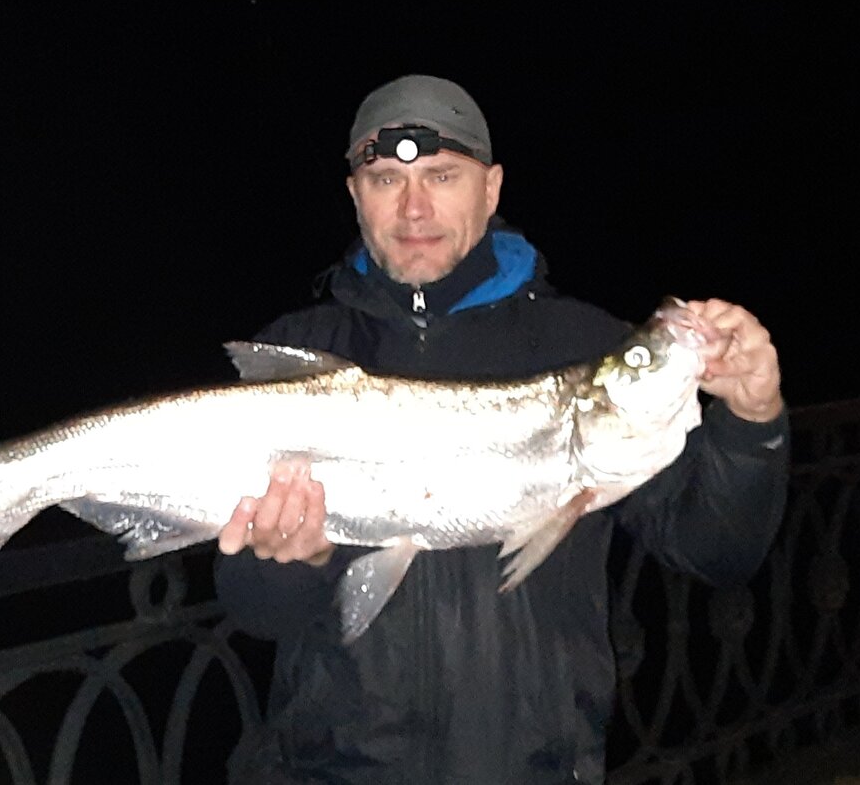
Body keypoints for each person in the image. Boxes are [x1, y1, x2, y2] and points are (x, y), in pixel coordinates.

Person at [214, 74, 789, 784]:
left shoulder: (582, 344)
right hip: (333, 770)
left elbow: (719, 550)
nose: (414, 207)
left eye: (442, 176)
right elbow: (253, 610)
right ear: (356, 195)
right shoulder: (297, 352)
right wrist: (289, 559)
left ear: (490, 190)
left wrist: (752, 421)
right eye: (387, 179)